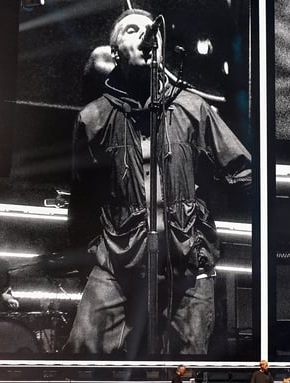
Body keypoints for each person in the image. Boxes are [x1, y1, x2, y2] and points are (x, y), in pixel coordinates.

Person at [62, 8, 252, 357]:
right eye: (132, 30)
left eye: (152, 30)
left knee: (188, 368)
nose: (146, 34)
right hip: (118, 261)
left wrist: (205, 221)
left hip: (186, 260)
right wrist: (92, 251)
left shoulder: (194, 108)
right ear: (114, 51)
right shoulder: (92, 119)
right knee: (84, 352)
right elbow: (82, 199)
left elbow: (242, 171)